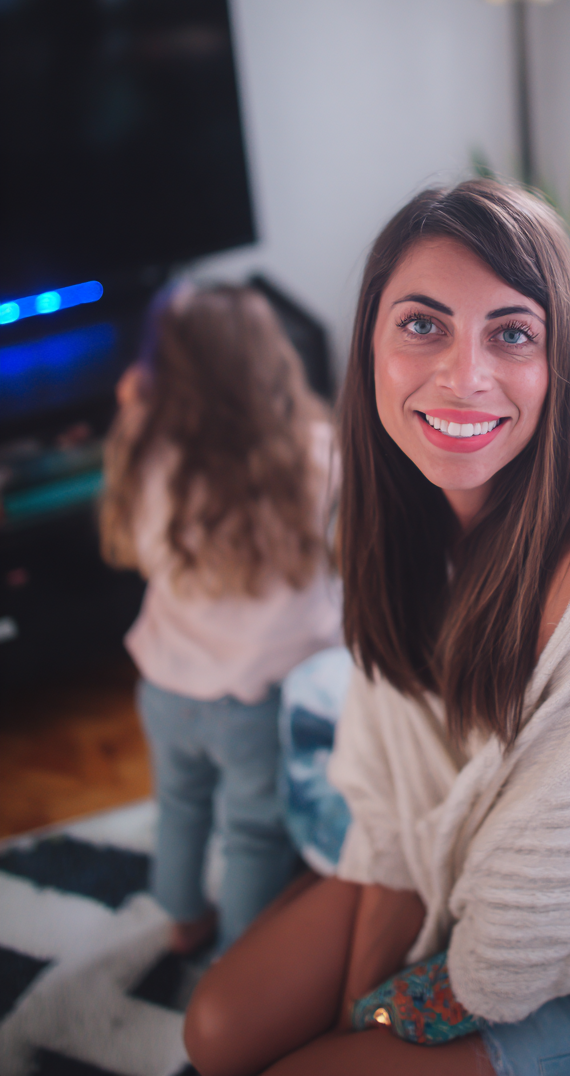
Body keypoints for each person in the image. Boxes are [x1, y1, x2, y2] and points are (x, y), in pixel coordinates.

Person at [183, 181, 570, 1076]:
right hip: (448, 863)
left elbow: (547, 907)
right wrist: (358, 999)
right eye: (424, 325)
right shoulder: (389, 507)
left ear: (559, 361)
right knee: (216, 1030)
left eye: (512, 333)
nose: (465, 376)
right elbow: (392, 788)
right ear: (371, 344)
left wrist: (366, 1025)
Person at [100, 282, 342, 954]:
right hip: (256, 705)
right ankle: (242, 957)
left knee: (179, 806)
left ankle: (181, 918)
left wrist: (138, 400)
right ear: (270, 360)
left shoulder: (148, 456)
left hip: (166, 689)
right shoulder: (315, 455)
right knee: (255, 832)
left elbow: (134, 406)